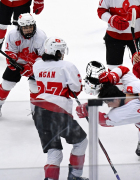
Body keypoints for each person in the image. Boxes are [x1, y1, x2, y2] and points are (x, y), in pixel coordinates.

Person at [32, 36, 88, 180]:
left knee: (54, 151)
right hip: (57, 112)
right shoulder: (66, 66)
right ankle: (75, 176)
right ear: (58, 51)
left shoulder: (37, 65)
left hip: (38, 111)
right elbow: (76, 89)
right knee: (81, 142)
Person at [76, 65, 140, 179]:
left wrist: (89, 110)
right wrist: (112, 77)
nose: (108, 106)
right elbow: (124, 70)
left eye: (108, 102)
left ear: (116, 99)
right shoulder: (135, 87)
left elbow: (105, 121)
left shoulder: (124, 112)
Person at [0, 13, 46, 116]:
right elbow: (10, 51)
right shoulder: (12, 35)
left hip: (35, 64)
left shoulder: (41, 36)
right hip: (18, 62)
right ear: (19, 27)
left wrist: (32, 67)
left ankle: (36, 111)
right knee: (6, 84)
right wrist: (11, 61)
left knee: (35, 87)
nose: (28, 29)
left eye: (30, 27)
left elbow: (44, 56)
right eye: (25, 27)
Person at [97, 0, 140, 70]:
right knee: (114, 70)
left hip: (138, 37)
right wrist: (112, 19)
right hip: (115, 37)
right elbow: (101, 11)